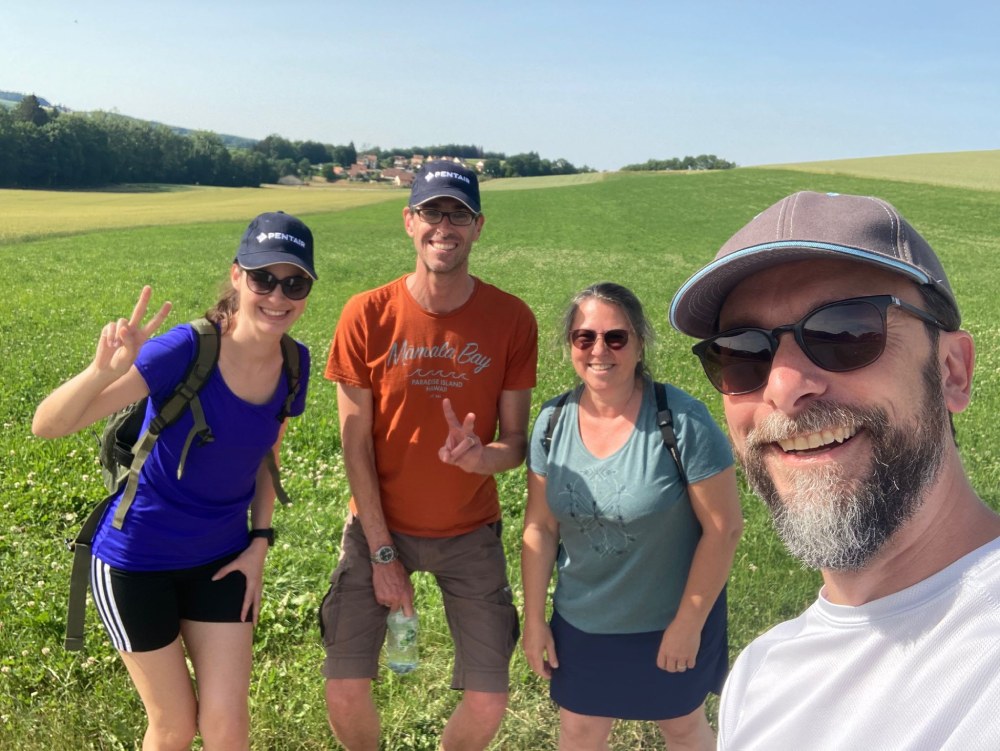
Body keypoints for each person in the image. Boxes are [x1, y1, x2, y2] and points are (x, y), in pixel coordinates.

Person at [669, 191, 1000, 750]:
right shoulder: (758, 678)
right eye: (742, 351)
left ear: (951, 372)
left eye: (844, 332)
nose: (783, 386)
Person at [32, 211, 315, 749]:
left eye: (295, 282)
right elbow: (48, 426)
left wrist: (260, 543)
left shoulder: (294, 364)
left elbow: (265, 457)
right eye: (264, 278)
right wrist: (101, 371)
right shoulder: (185, 350)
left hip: (222, 558)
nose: (278, 296)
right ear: (237, 276)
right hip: (137, 562)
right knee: (173, 724)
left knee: (228, 726)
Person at [320, 159, 538, 751]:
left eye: (459, 213)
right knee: (343, 687)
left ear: (478, 226)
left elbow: (515, 444)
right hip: (375, 527)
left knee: (490, 697)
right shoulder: (366, 314)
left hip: (470, 530)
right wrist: (382, 551)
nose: (446, 225)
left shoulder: (511, 318)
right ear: (408, 221)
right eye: (432, 211)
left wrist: (480, 459)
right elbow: (355, 447)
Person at [521, 282, 743, 751]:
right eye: (585, 338)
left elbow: (722, 531)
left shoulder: (682, 422)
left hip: (669, 621)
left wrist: (687, 624)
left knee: (681, 727)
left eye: (615, 337)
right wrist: (535, 618)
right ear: (571, 347)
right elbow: (540, 528)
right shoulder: (551, 424)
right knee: (580, 730)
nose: (599, 350)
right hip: (582, 622)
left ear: (640, 343)